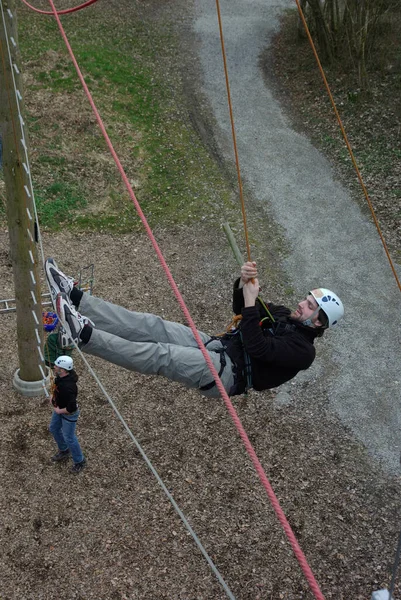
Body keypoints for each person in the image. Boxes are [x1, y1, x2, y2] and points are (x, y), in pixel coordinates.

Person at [45, 258, 344, 398]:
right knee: (154, 326)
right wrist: (243, 283)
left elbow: (258, 347)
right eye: (305, 299)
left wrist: (252, 303)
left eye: (308, 306)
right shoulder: (285, 317)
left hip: (228, 375)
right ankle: (77, 298)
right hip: (217, 345)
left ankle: (85, 335)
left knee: (163, 356)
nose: (300, 305)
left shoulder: (303, 353)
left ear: (317, 322)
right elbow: (241, 309)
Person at [49, 354, 86, 474]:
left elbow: (72, 407)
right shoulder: (60, 377)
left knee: (69, 437)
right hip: (59, 408)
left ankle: (79, 461)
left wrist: (60, 411)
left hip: (68, 413)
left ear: (63, 370)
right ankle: (64, 450)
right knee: (53, 428)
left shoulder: (69, 387)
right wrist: (53, 397)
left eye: (57, 366)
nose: (54, 367)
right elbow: (56, 388)